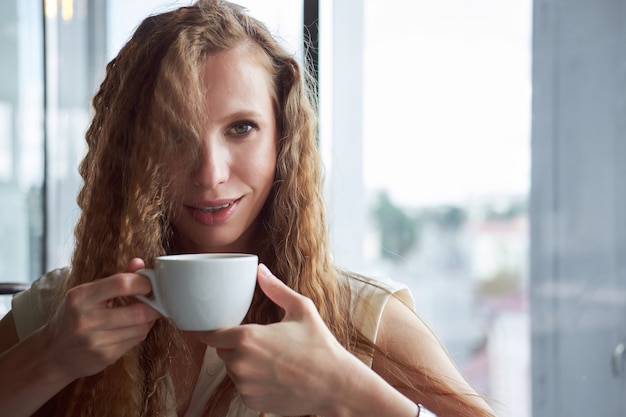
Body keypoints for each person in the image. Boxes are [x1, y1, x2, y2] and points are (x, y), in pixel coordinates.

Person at [0, 1, 497, 416]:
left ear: (284, 138)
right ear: (134, 151)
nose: (210, 173)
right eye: (174, 134)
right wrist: (47, 358)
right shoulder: (59, 316)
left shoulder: (361, 318)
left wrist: (348, 391)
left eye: (241, 128)